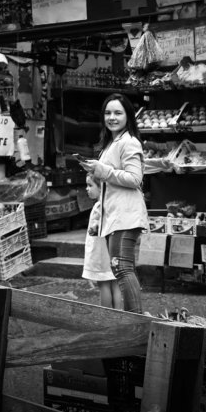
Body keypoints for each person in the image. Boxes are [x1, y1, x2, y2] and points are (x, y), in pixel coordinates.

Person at [78, 93, 147, 313]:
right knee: (121, 270)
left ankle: (136, 322)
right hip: (116, 216)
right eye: (108, 113)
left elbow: (135, 179)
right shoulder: (114, 142)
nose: (112, 117)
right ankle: (132, 321)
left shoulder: (129, 141)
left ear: (128, 116)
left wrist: (102, 170)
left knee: (123, 269)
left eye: (118, 113)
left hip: (125, 216)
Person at [81, 174, 122, 309]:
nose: (87, 189)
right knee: (116, 284)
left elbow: (94, 230)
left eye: (90, 185)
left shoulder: (99, 207)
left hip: (101, 254)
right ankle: (119, 314)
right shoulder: (111, 204)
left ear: (101, 188)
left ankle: (106, 316)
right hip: (112, 251)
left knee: (103, 284)